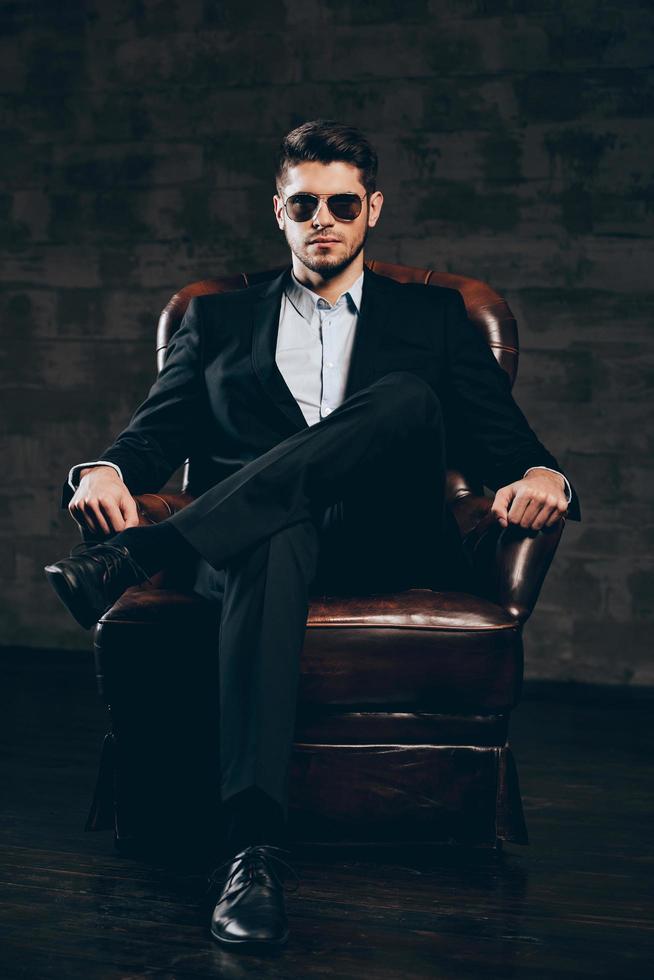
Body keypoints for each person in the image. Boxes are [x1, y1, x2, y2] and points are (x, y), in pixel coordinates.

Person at [45, 119, 580, 952]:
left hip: (383, 541)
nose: (322, 218)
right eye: (304, 205)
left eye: (341, 203)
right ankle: (253, 851)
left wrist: (548, 474)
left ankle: (143, 555)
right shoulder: (215, 324)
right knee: (271, 533)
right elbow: (152, 437)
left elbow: (504, 440)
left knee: (407, 397)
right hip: (255, 547)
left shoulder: (437, 318)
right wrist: (103, 470)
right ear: (279, 212)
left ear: (372, 208)